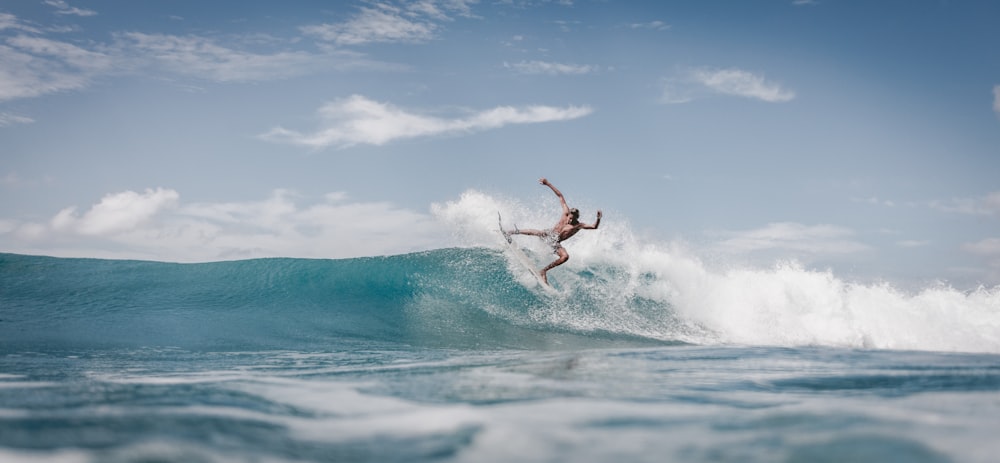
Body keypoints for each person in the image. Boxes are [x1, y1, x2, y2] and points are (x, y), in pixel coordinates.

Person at [506, 177, 602, 285]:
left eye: (572, 219)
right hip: (550, 234)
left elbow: (594, 227)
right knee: (539, 233)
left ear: (576, 218)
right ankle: (511, 232)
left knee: (565, 257)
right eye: (569, 217)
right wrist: (548, 184)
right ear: (569, 214)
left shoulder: (578, 225)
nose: (569, 220)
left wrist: (598, 219)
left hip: (555, 242)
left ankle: (543, 271)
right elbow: (560, 196)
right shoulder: (566, 212)